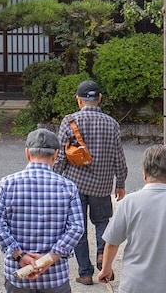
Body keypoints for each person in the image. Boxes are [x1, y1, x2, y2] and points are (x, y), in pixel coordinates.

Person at [95, 145, 166, 293]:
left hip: (133, 285)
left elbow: (112, 242)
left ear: (144, 175)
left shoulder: (129, 202)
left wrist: (106, 268)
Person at [0, 128, 88, 293]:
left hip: (18, 275)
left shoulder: (8, 183)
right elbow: (77, 227)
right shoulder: (67, 186)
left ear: (27, 153)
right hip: (54, 276)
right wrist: (50, 258)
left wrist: (20, 255)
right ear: (56, 155)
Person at [52, 79, 127, 285]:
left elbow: (60, 157)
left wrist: (55, 181)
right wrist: (120, 183)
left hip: (74, 184)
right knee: (102, 222)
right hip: (102, 185)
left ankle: (85, 273)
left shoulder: (69, 121)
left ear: (79, 100)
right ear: (99, 99)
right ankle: (104, 262)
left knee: (78, 227)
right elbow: (118, 157)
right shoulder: (112, 123)